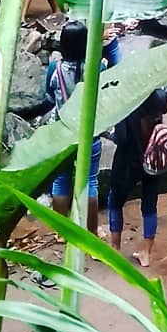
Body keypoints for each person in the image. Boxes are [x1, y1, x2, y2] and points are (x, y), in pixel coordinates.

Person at [45, 22, 104, 233]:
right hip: (90, 131)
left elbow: (48, 94)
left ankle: (62, 232)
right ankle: (91, 232)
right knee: (90, 181)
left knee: (61, 179)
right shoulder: (98, 66)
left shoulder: (56, 67)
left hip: (63, 130)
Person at [108, 88, 167, 267]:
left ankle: (114, 247)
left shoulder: (130, 108)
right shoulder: (158, 110)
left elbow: (121, 138)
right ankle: (146, 254)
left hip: (127, 164)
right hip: (152, 164)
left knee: (115, 202)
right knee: (149, 207)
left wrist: (107, 134)